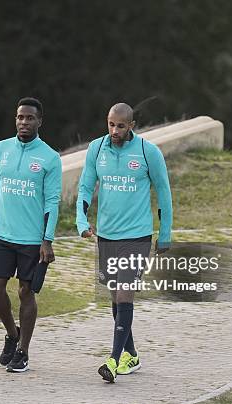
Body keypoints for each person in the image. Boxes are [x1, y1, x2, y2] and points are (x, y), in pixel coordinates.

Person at [76, 103, 172, 383]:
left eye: (120, 125)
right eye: (110, 124)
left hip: (137, 236)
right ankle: (132, 354)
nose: (114, 130)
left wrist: (164, 233)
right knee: (115, 300)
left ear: (131, 125)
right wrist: (82, 222)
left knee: (124, 294)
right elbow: (84, 187)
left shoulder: (147, 152)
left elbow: (163, 192)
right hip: (107, 235)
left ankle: (114, 361)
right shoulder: (97, 149)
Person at [0, 97, 62, 373]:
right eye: (19, 117)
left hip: (31, 240)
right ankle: (11, 334)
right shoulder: (0, 149)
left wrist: (46, 240)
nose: (23, 122)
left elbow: (52, 201)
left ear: (40, 121)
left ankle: (23, 351)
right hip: (2, 235)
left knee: (26, 293)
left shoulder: (50, 157)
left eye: (29, 118)